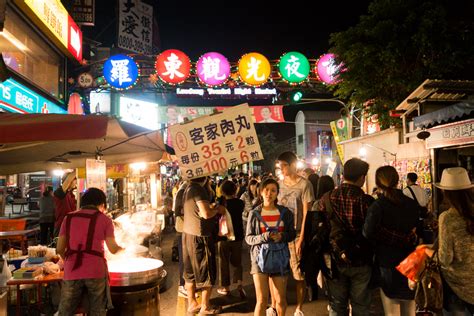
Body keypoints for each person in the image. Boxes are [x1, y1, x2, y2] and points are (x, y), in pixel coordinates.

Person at [316, 158, 374, 316]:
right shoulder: (367, 201)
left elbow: (320, 230)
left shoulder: (326, 199)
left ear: (344, 174)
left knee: (337, 305)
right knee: (361, 306)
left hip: (335, 260)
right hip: (361, 260)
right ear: (362, 177)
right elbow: (372, 232)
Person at [57, 188, 124, 315]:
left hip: (72, 270)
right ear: (102, 204)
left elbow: (60, 249)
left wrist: (68, 261)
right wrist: (123, 249)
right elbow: (113, 249)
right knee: (97, 310)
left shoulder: (68, 218)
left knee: (65, 311)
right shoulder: (105, 220)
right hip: (95, 271)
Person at [364, 166, 421, 316]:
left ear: (378, 183)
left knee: (392, 311)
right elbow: (418, 229)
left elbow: (367, 232)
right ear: (397, 180)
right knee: (409, 308)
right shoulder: (411, 203)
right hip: (410, 261)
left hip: (387, 261)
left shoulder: (378, 206)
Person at [426, 167, 474, 315]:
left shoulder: (447, 218)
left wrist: (426, 251)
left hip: (457, 288)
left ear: (445, 192)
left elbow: (445, 259)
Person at [245, 178, 296, 316]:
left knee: (280, 299)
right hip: (259, 260)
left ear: (277, 193)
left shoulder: (285, 213)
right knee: (261, 300)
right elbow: (249, 238)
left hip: (280, 258)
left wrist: (282, 236)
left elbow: (292, 233)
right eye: (266, 190)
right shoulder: (254, 214)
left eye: (273, 190)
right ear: (261, 192)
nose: (269, 193)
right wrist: (264, 237)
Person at [275, 151, 314, 316]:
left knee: (298, 274)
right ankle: (276, 305)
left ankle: (299, 308)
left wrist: (302, 239)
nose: (282, 169)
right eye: (280, 166)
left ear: (292, 165)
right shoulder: (279, 184)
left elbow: (307, 214)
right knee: (278, 273)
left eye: (284, 165)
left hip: (297, 234)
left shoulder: (305, 185)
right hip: (281, 234)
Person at [182, 176, 225, 315]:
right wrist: (218, 210)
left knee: (190, 273)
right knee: (206, 272)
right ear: (205, 177)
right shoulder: (199, 189)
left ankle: (192, 303)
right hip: (200, 236)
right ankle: (205, 307)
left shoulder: (187, 188)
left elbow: (196, 210)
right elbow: (206, 214)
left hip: (187, 234)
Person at [302, 175, 335, 301]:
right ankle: (329, 291)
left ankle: (316, 293)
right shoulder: (333, 199)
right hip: (331, 241)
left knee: (319, 267)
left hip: (318, 242)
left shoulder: (316, 203)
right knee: (330, 269)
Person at [216, 180, 246, 298]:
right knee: (237, 262)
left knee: (223, 262)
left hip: (223, 237)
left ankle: (225, 287)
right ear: (235, 190)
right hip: (237, 236)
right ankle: (239, 285)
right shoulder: (240, 203)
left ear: (222, 191)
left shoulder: (221, 204)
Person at [54, 172, 77, 237]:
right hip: (61, 226)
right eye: (74, 180)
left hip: (71, 225)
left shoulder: (71, 195)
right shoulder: (60, 192)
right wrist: (77, 169)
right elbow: (68, 179)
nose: (76, 182)